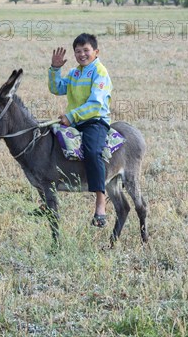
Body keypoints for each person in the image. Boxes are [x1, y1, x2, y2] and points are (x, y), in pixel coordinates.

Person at [48, 33, 112, 228]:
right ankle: (46, 197)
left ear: (96, 52)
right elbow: (56, 88)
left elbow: (95, 104)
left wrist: (71, 116)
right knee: (46, 142)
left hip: (94, 121)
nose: (82, 54)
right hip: (74, 122)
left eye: (86, 50)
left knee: (93, 152)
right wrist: (55, 69)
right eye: (78, 51)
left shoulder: (100, 72)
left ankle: (100, 202)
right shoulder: (75, 73)